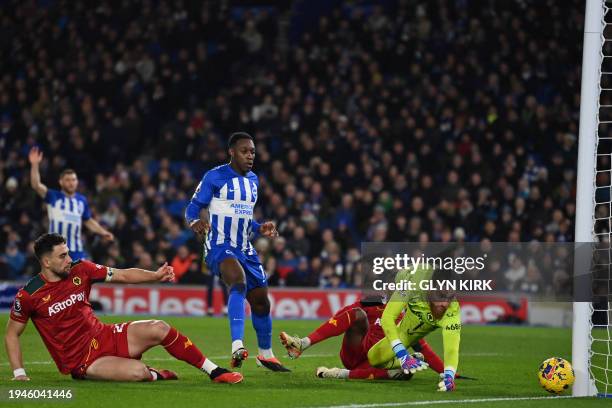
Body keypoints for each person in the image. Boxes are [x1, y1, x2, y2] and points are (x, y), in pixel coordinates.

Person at [5, 233, 242, 383]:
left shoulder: (81, 269)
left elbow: (122, 274)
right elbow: (12, 334)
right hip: (83, 361)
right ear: (46, 262)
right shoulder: (29, 295)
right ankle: (156, 374)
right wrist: (19, 374)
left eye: (68, 254)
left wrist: (156, 276)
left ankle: (214, 371)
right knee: (138, 372)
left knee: (159, 327)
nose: (69, 259)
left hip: (103, 335)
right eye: (62, 256)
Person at [185, 132, 289, 372]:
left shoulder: (253, 180)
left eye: (252, 151)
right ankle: (237, 346)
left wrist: (259, 227)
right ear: (231, 152)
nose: (250, 156)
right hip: (219, 245)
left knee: (262, 302)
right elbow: (193, 207)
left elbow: (243, 216)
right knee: (238, 283)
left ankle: (266, 355)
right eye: (245, 151)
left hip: (245, 247)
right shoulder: (215, 176)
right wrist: (194, 223)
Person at [280, 296, 446, 380]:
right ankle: (303, 343)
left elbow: (422, 347)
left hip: (377, 362)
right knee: (357, 315)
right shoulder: (372, 303)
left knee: (410, 363)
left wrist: (448, 373)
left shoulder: (410, 317)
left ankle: (339, 374)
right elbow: (341, 316)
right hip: (355, 351)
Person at [365, 268, 462, 392]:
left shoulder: (452, 310)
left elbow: (452, 349)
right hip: (403, 286)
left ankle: (412, 359)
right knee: (373, 357)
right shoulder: (411, 283)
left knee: (376, 357)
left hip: (416, 318)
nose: (444, 304)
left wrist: (450, 376)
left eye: (449, 297)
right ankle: (407, 359)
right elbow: (387, 318)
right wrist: (402, 354)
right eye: (441, 296)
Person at [29, 147, 114, 260]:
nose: (71, 183)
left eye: (73, 180)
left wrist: (103, 232)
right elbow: (36, 185)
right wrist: (35, 165)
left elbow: (88, 221)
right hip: (56, 250)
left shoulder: (81, 200)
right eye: (68, 180)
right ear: (61, 182)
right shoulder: (53, 196)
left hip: (77, 251)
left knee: (81, 278)